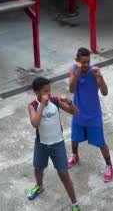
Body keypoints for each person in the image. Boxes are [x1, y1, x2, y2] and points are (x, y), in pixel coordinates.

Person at [27, 77, 81, 211]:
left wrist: (69, 102)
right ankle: (39, 186)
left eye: (49, 90)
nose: (49, 94)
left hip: (58, 144)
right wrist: (42, 106)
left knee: (64, 174)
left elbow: (75, 112)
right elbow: (35, 123)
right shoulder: (32, 106)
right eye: (45, 91)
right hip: (41, 144)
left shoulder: (55, 101)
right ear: (37, 93)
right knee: (38, 168)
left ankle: (74, 203)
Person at [67, 48, 113, 182]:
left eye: (88, 62)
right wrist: (76, 71)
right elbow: (71, 88)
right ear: (77, 61)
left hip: (93, 114)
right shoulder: (72, 69)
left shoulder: (94, 72)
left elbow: (105, 92)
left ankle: (109, 165)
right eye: (83, 62)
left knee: (101, 142)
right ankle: (75, 155)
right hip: (78, 112)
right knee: (74, 138)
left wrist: (100, 77)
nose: (86, 65)